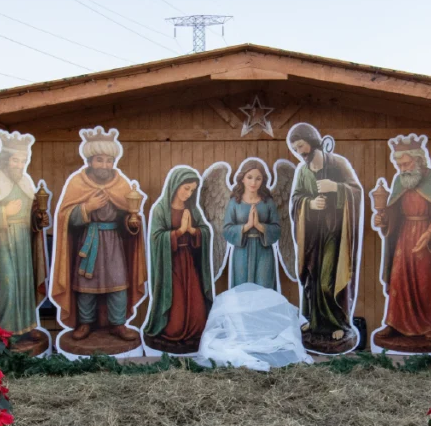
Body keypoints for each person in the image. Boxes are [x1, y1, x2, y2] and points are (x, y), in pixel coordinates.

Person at [50, 128, 146, 345]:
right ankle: (85, 322)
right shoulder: (78, 183)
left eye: (109, 160)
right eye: (99, 160)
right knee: (86, 285)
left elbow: (127, 215)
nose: (105, 165)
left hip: (113, 241)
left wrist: (131, 223)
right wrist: (86, 207)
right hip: (88, 239)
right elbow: (66, 217)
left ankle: (118, 323)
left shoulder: (121, 184)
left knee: (119, 283)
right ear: (90, 160)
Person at [373, 135, 431, 350]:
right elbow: (395, 211)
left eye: (406, 163)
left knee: (425, 280)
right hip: (404, 236)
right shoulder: (400, 181)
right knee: (398, 278)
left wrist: (430, 233)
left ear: (419, 160)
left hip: (427, 238)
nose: (402, 169)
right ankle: (394, 323)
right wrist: (383, 220)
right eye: (399, 165)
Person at [288, 123, 362, 353]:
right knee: (312, 277)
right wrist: (309, 203)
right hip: (313, 234)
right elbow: (296, 199)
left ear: (311, 140)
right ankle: (316, 322)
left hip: (335, 233)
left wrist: (336, 188)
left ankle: (337, 323)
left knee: (329, 278)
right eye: (295, 148)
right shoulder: (303, 171)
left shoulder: (338, 163)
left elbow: (356, 192)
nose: (300, 152)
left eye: (301, 145)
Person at [0, 131, 46, 345]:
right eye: (15, 160)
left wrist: (37, 218)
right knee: (8, 283)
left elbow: (31, 212)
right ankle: (3, 330)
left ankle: (26, 325)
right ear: (5, 159)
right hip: (1, 241)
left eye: (23, 161)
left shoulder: (26, 181)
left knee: (25, 283)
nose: (19, 165)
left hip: (23, 239)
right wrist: (3, 212)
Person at [144, 168, 214, 352]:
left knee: (198, 312)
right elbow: (156, 238)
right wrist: (179, 232)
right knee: (175, 316)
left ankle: (194, 335)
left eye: (192, 190)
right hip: (170, 266)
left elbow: (204, 231)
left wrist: (192, 231)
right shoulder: (161, 209)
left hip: (190, 263)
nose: (188, 193)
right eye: (186, 188)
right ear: (175, 186)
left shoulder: (192, 209)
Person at [222, 160, 281, 289]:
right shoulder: (234, 203)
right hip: (241, 250)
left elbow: (277, 229)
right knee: (242, 287)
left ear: (263, 181)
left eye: (258, 179)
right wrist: (247, 226)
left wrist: (259, 226)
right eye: (249, 177)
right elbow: (226, 230)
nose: (253, 183)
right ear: (242, 178)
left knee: (264, 286)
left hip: (264, 251)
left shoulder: (268, 202)